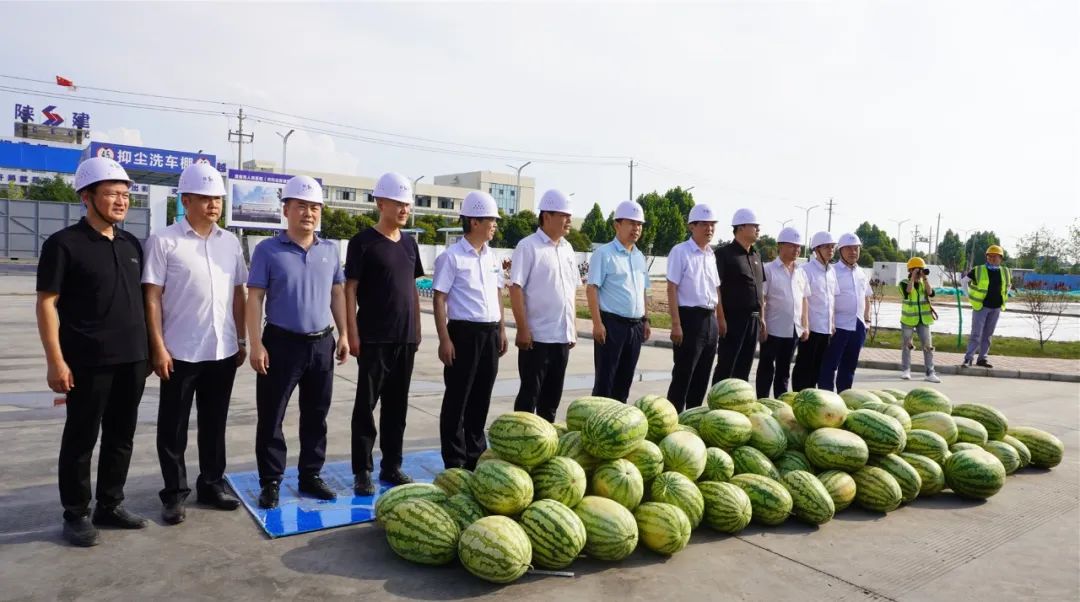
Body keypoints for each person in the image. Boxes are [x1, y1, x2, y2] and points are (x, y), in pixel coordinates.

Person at [36, 157, 149, 547]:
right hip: (87, 361)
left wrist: (149, 351)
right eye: (112, 194)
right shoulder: (63, 244)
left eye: (125, 194)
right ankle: (76, 512)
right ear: (87, 197)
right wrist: (56, 360)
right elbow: (47, 303)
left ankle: (110, 504)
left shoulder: (131, 243)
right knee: (82, 437)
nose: (121, 201)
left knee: (122, 435)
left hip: (133, 358)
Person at [143, 162, 247, 525]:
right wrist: (157, 345)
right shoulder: (164, 240)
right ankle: (174, 494)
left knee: (214, 423)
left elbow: (239, 293)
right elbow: (152, 297)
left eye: (217, 198)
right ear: (185, 200)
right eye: (204, 198)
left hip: (222, 350)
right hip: (179, 352)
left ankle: (212, 484)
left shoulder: (230, 242)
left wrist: (241, 338)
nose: (213, 205)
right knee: (173, 427)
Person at [246, 175, 350, 509]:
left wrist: (344, 333)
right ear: (286, 209)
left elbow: (337, 294)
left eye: (315, 207)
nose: (308, 213)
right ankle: (271, 480)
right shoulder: (267, 250)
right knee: (272, 415)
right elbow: (255, 297)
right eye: (301, 206)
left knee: (316, 414)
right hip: (280, 343)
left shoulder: (330, 251)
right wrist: (255, 344)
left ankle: (310, 476)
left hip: (322, 343)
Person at [346, 172, 425, 495]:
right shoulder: (362, 243)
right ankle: (362, 471)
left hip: (405, 339)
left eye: (408, 204)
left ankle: (392, 466)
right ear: (380, 203)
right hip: (373, 338)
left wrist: (417, 330)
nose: (404, 209)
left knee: (397, 408)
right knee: (366, 407)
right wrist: (351, 333)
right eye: (398, 203)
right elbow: (350, 290)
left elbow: (414, 289)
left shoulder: (409, 243)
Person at [432, 191, 508, 470]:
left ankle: (475, 455)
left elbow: (498, 293)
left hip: (489, 333)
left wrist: (501, 328)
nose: (495, 225)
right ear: (474, 221)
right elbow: (439, 298)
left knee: (481, 396)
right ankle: (454, 459)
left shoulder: (493, 257)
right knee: (457, 398)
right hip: (463, 334)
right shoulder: (451, 258)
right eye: (491, 219)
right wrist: (444, 339)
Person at [510, 189, 578, 422]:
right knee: (529, 398)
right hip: (536, 339)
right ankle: (520, 442)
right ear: (546, 216)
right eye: (564, 215)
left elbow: (570, 291)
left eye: (570, 215)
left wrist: (572, 328)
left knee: (551, 401)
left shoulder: (568, 249)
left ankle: (544, 447)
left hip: (561, 338)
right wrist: (522, 328)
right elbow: (515, 288)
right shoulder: (528, 247)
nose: (569, 220)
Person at [586, 200, 651, 402]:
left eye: (639, 224)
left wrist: (646, 320)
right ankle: (598, 426)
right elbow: (591, 289)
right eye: (631, 223)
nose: (636, 228)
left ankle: (617, 426)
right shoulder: (604, 254)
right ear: (617, 225)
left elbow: (643, 290)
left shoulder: (639, 256)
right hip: (612, 325)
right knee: (606, 381)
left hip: (635, 327)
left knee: (625, 381)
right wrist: (597, 324)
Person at [665, 203, 721, 412]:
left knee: (702, 375)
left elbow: (715, 289)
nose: (709, 229)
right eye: (704, 225)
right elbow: (672, 288)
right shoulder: (680, 251)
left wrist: (718, 320)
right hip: (689, 319)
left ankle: (694, 418)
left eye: (712, 225)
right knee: (683, 375)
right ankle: (673, 419)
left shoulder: (710, 254)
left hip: (709, 320)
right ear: (691, 226)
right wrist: (676, 324)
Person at [712, 208, 766, 383]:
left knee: (744, 369)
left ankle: (738, 406)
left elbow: (760, 290)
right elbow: (716, 288)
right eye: (755, 226)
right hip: (733, 321)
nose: (758, 229)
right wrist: (720, 318)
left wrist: (762, 319)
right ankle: (717, 405)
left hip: (754, 321)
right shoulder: (724, 254)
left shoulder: (756, 255)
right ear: (741, 227)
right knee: (726, 367)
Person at [818, 233, 871, 392]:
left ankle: (845, 397)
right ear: (840, 251)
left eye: (856, 249)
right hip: (838, 326)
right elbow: (829, 299)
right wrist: (831, 322)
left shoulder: (862, 273)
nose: (853, 252)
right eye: (849, 249)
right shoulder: (832, 271)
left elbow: (867, 296)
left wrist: (867, 321)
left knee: (849, 366)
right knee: (829, 365)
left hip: (858, 325)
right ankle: (826, 398)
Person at [755, 226, 803, 398]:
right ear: (780, 246)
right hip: (773, 329)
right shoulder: (768, 269)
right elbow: (762, 298)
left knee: (784, 370)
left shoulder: (800, 272)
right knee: (767, 367)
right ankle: (762, 400)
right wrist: (763, 322)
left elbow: (803, 299)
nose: (796, 250)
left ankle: (780, 403)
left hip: (793, 330)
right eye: (792, 246)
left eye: (799, 247)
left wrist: (805, 325)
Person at [791, 231, 837, 392]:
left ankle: (811, 399)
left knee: (818, 367)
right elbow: (803, 300)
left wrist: (832, 323)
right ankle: (799, 396)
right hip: (810, 329)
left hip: (825, 328)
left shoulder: (831, 271)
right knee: (804, 366)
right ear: (816, 249)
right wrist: (805, 325)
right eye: (826, 247)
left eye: (832, 247)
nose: (830, 250)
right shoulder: (806, 270)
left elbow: (831, 299)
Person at [962, 244, 1012, 368]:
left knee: (988, 334)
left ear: (1001, 258)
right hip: (981, 306)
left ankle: (982, 359)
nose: (992, 259)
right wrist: (968, 295)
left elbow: (1008, 285)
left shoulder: (1005, 271)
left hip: (996, 307)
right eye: (989, 256)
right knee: (976, 334)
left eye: (995, 257)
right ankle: (968, 359)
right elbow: (964, 281)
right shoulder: (978, 270)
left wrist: (1004, 297)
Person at [899, 257, 940, 383]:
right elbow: (908, 292)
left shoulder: (923, 283)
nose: (919, 273)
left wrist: (925, 278)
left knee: (928, 346)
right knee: (907, 346)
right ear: (910, 270)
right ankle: (906, 370)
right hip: (908, 320)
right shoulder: (904, 283)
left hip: (924, 319)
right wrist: (913, 278)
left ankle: (930, 372)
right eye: (917, 270)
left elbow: (931, 293)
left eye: (921, 270)